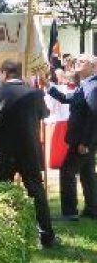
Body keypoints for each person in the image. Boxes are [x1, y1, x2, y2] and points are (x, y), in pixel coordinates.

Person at [0, 59, 58, 247]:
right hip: (29, 151)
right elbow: (44, 114)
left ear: (3, 73)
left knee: (1, 193)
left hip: (2, 153)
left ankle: (1, 235)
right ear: (20, 73)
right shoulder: (35, 94)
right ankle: (46, 236)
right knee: (37, 192)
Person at [47, 53, 97, 220]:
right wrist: (48, 86)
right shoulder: (85, 85)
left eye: (82, 61)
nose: (77, 63)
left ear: (93, 67)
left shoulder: (93, 86)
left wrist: (85, 142)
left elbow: (94, 116)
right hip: (83, 140)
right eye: (77, 60)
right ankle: (92, 209)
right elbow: (67, 98)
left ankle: (69, 212)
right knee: (87, 174)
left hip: (82, 140)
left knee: (67, 172)